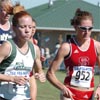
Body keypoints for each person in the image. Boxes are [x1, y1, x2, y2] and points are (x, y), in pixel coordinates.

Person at [46, 8, 100, 100]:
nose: (87, 32)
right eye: (83, 28)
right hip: (70, 95)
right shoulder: (66, 47)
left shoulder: (97, 46)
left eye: (90, 28)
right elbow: (50, 74)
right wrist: (62, 88)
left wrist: (99, 88)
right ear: (75, 27)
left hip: (90, 95)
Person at [0, 9, 46, 100]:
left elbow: (39, 71)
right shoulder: (7, 47)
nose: (27, 30)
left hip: (25, 97)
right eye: (23, 27)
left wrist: (40, 75)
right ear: (14, 28)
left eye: (30, 27)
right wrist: (12, 79)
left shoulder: (35, 49)